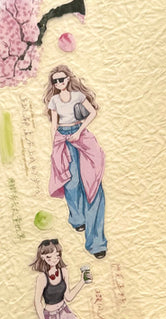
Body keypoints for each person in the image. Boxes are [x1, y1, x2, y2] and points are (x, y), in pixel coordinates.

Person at [44, 65, 109, 259]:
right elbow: (54, 124)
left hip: (81, 137)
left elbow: (92, 113)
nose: (59, 83)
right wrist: (55, 145)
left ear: (68, 79)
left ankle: (97, 243)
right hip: (62, 139)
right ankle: (78, 218)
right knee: (71, 183)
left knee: (93, 186)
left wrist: (79, 132)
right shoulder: (54, 100)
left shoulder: (78, 96)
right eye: (55, 81)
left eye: (61, 79)